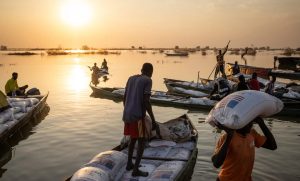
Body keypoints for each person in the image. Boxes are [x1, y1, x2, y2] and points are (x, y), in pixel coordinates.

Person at [122, 63, 161, 177]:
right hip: (137, 116)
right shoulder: (148, 80)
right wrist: (153, 120)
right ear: (151, 72)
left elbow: (124, 98)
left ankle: (129, 164)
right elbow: (146, 101)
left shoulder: (131, 78)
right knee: (142, 141)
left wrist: (129, 109)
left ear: (141, 70)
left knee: (133, 139)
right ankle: (135, 171)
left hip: (127, 115)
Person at [212, 117, 277, 181]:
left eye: (251, 122)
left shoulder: (252, 133)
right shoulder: (226, 136)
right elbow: (216, 163)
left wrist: (261, 123)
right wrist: (229, 137)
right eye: (247, 122)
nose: (251, 125)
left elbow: (272, 146)